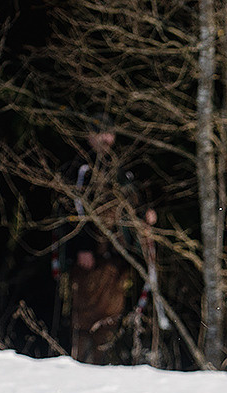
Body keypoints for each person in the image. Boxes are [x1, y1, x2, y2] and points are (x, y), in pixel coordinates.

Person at [51, 119, 157, 365]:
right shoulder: (80, 168)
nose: (106, 139)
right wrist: (82, 247)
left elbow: (132, 203)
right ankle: (82, 366)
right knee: (86, 317)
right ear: (89, 136)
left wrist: (146, 214)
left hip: (118, 258)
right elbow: (71, 211)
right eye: (100, 133)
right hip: (90, 258)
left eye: (110, 133)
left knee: (110, 318)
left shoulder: (121, 170)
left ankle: (101, 366)